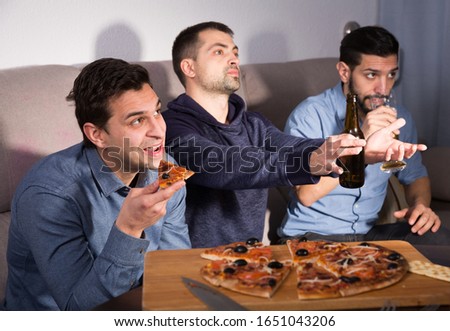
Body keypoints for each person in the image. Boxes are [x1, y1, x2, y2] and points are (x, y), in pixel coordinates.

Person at [163, 21, 425, 248]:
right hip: (198, 260)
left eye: (235, 51)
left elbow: (296, 147)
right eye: (219, 51)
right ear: (189, 67)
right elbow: (222, 164)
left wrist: (358, 150)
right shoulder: (173, 127)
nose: (233, 58)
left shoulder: (254, 123)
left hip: (252, 256)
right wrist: (316, 160)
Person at [3, 58, 190, 311]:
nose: (159, 130)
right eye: (137, 121)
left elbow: (172, 270)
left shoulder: (165, 168)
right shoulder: (49, 195)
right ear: (97, 135)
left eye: (157, 111)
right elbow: (80, 310)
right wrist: (129, 229)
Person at [280, 26, 449, 244]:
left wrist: (421, 208)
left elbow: (416, 177)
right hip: (312, 235)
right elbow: (306, 195)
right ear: (344, 72)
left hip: (368, 235)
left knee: (439, 240)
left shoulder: (398, 118)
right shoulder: (310, 115)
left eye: (391, 75)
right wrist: (361, 138)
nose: (383, 88)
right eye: (371, 75)